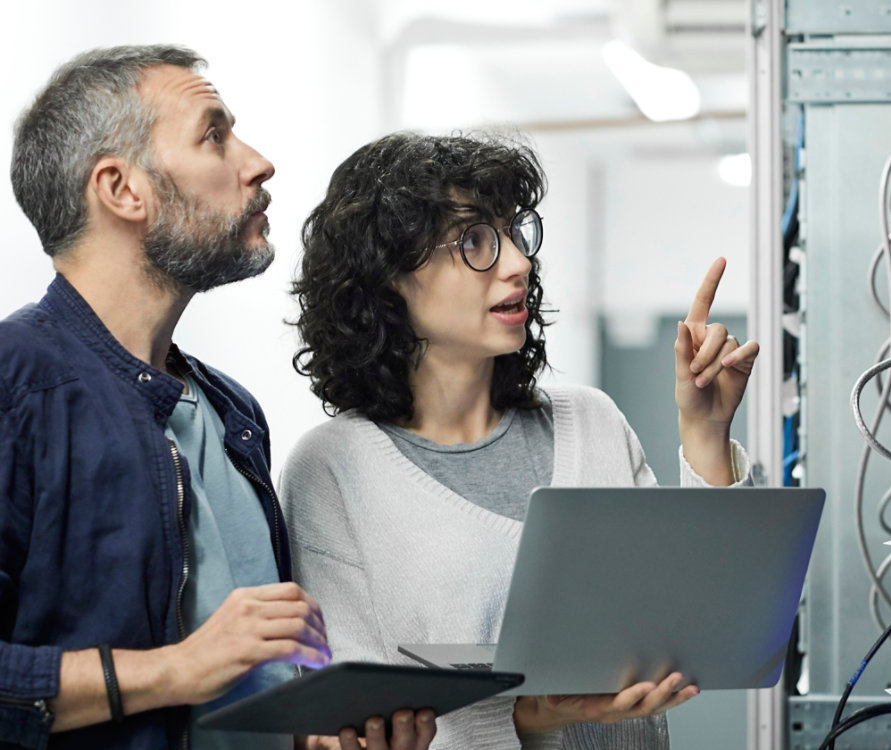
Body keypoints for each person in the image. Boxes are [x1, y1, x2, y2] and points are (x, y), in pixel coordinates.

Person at [0, 46, 435, 750]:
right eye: (214, 135)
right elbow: (191, 673)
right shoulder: (17, 383)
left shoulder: (232, 411)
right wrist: (175, 670)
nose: (258, 162)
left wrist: (315, 737)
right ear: (122, 190)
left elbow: (242, 695)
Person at [281, 131, 758, 749]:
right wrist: (525, 722)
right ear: (388, 277)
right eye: (475, 241)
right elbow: (362, 725)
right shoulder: (332, 468)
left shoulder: (592, 421)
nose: (518, 263)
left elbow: (703, 618)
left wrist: (706, 430)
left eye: (513, 233)